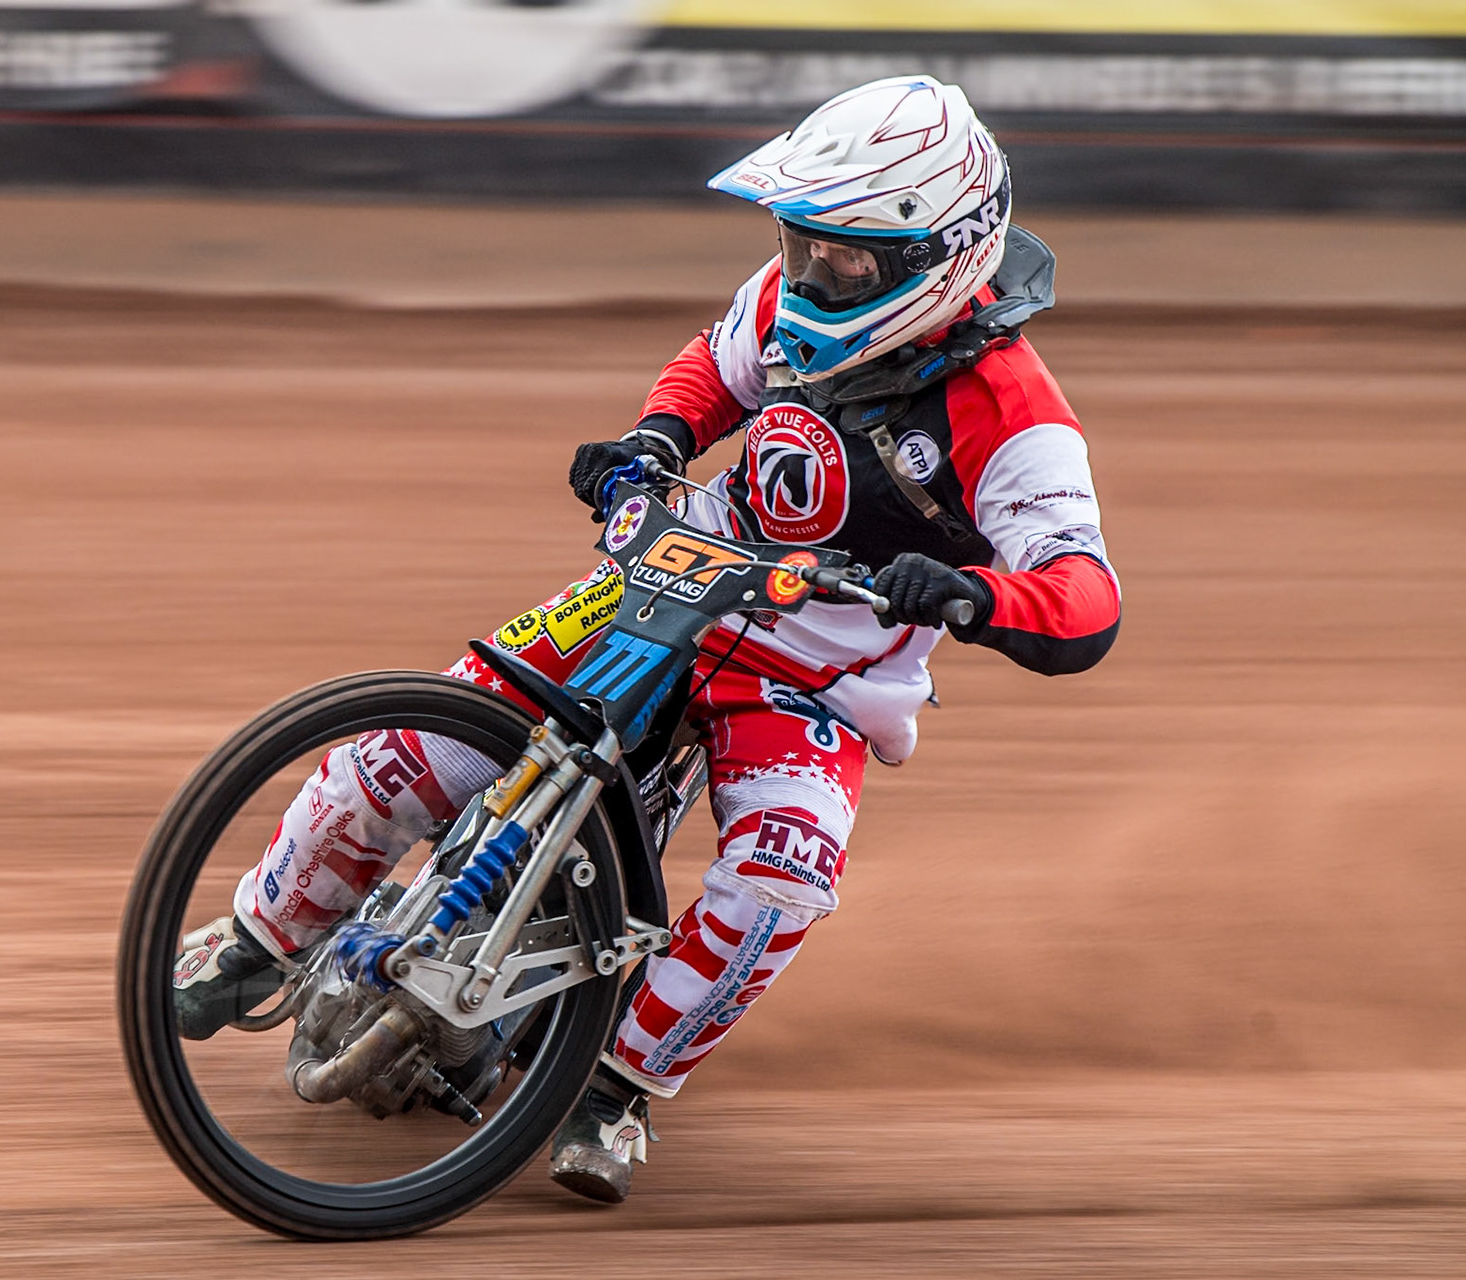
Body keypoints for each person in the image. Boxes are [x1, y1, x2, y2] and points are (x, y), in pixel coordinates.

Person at [172, 75, 1121, 1204]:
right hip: (668, 581)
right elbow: (708, 369)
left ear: (942, 255)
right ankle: (256, 937)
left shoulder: (1015, 414)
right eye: (802, 241)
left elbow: (1085, 595)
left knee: (783, 875)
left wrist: (971, 596)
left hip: (817, 676)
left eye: (848, 258)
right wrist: (651, 442)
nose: (814, 272)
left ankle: (619, 1086)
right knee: (414, 738)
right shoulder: (787, 297)